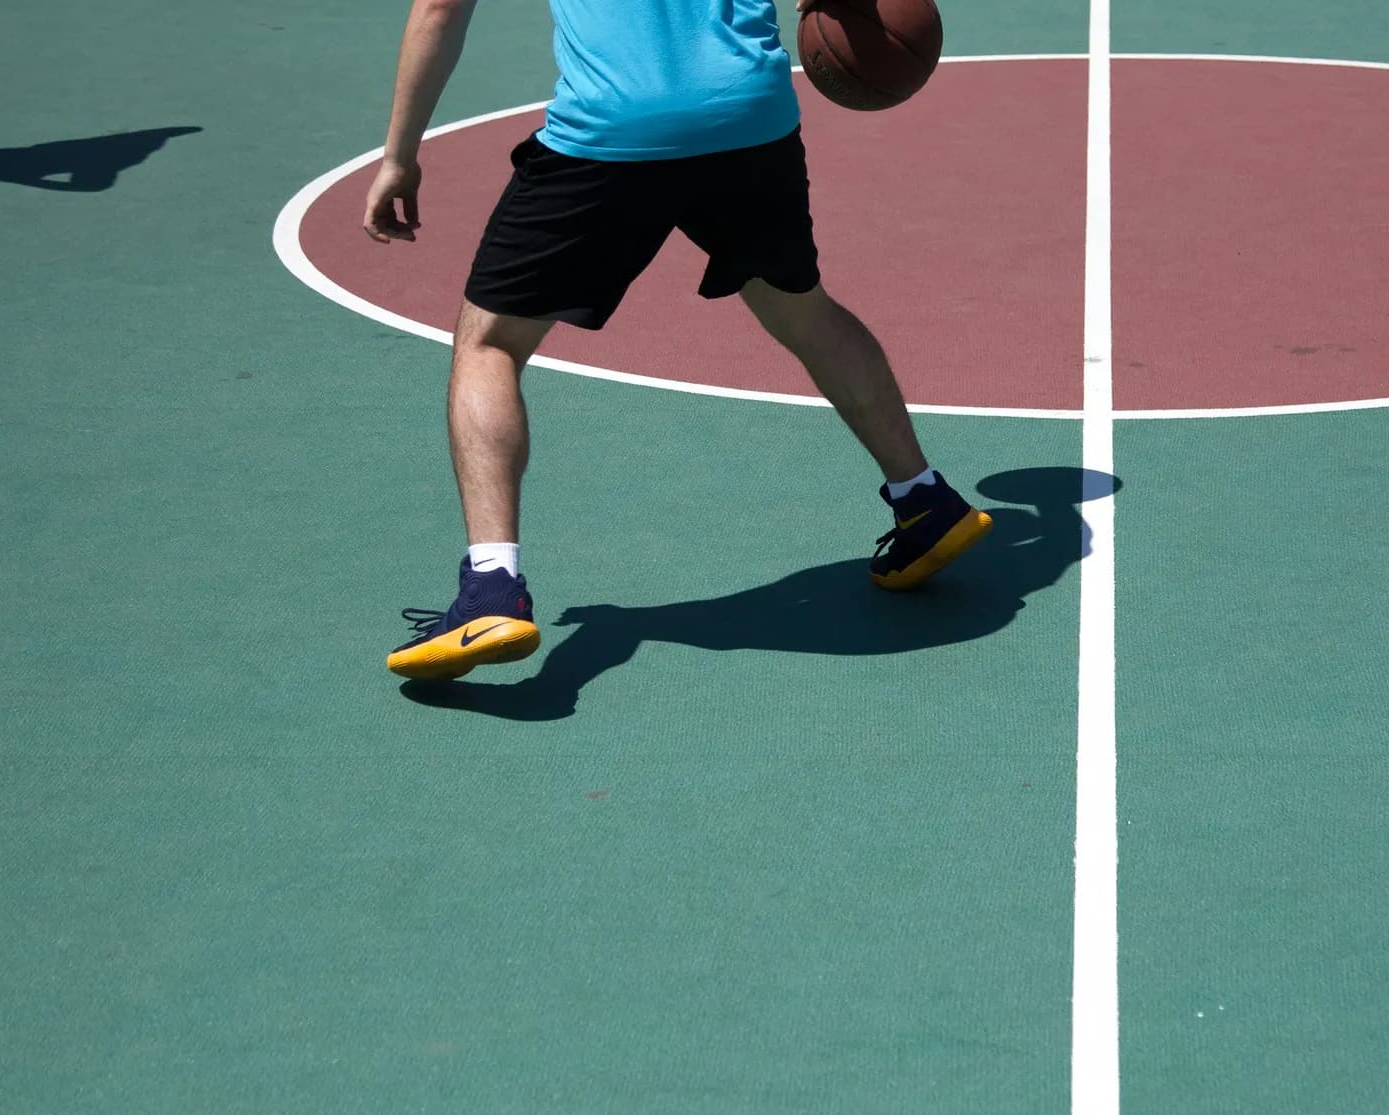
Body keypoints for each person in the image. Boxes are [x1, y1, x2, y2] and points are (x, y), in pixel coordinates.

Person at [363, 0, 990, 681]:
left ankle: (491, 586)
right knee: (804, 313)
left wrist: (400, 155)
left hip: (615, 125)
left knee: (491, 346)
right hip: (749, 115)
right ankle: (923, 497)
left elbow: (440, 7)